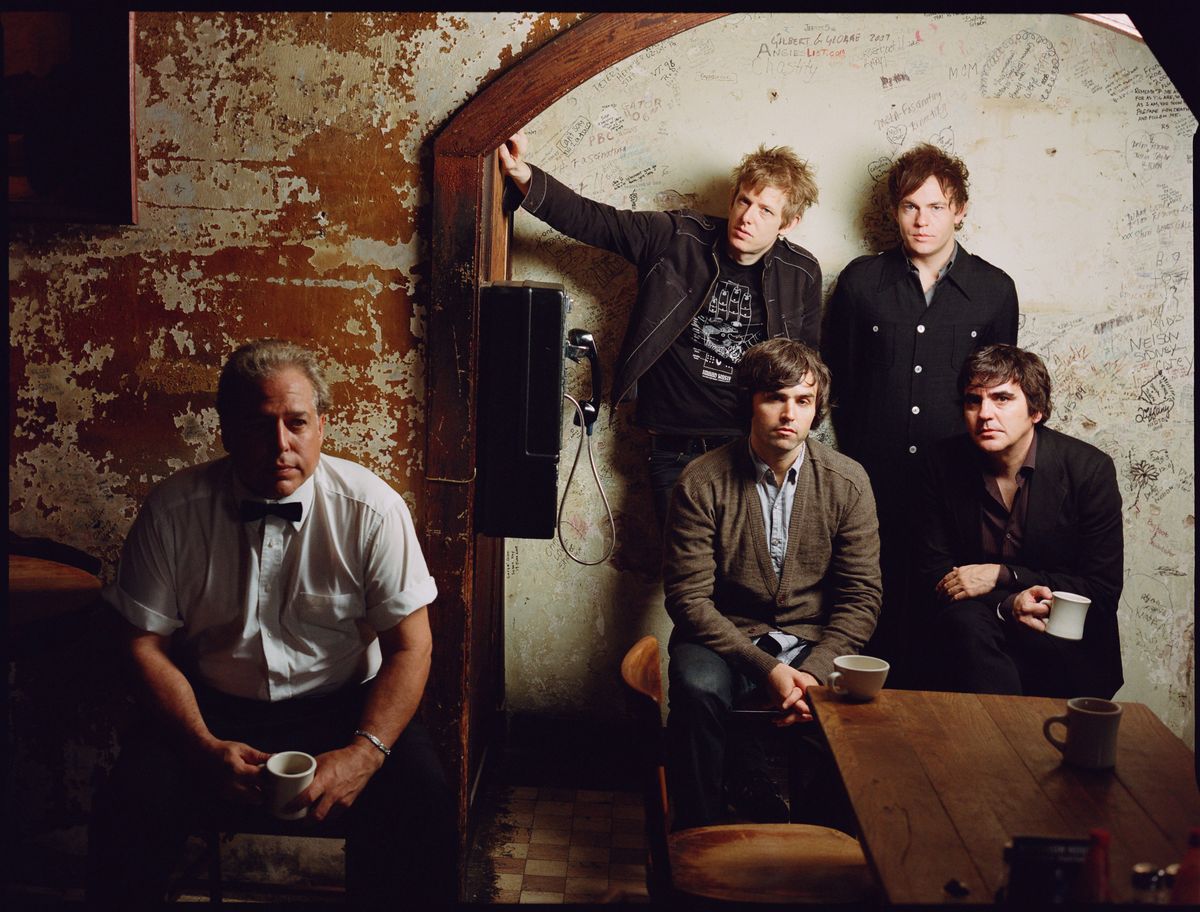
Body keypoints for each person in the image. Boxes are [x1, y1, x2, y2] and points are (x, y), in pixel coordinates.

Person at [87, 339, 456, 907]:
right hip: (209, 709)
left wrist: (363, 754)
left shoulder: (374, 510)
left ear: (322, 426)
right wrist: (200, 744)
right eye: (259, 426)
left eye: (297, 423)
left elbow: (412, 647)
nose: (281, 445)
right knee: (130, 804)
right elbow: (141, 644)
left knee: (422, 799)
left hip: (343, 708)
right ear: (226, 432)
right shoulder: (172, 511)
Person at [499, 130, 822, 525]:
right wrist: (523, 174)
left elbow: (806, 370)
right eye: (744, 201)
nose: (748, 217)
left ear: (788, 223)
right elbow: (594, 220)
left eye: (766, 211)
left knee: (745, 561)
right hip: (674, 446)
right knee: (684, 562)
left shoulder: (801, 273)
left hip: (750, 447)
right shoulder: (676, 236)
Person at [661, 339, 881, 829]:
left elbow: (861, 597)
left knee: (840, 702)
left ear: (817, 408)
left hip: (812, 639)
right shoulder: (701, 480)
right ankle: (696, 837)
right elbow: (688, 598)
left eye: (803, 400)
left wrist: (814, 673)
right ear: (749, 402)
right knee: (698, 691)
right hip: (723, 636)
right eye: (775, 397)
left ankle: (816, 843)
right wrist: (768, 669)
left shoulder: (848, 481)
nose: (789, 414)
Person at [822, 142, 1019, 686]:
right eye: (910, 206)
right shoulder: (861, 282)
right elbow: (837, 382)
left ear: (960, 210)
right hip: (870, 479)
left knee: (944, 616)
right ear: (894, 211)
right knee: (864, 602)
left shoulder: (994, 290)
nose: (921, 220)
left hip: (958, 484)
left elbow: (1000, 395)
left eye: (936, 207)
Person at [915, 344, 1123, 698]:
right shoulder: (940, 464)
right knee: (964, 624)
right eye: (973, 400)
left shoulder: (1089, 470)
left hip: (1060, 642)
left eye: (1002, 399)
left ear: (1036, 410)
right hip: (975, 640)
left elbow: (1101, 591)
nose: (985, 414)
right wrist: (1008, 604)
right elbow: (934, 576)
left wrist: (1003, 575)